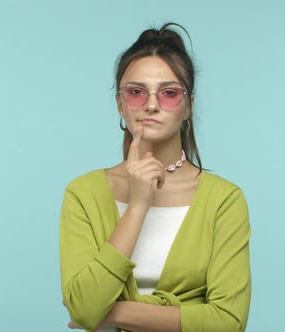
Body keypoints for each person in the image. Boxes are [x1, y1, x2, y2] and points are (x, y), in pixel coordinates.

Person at [59, 22, 251, 332]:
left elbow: (228, 322)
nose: (151, 105)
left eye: (169, 93)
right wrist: (137, 207)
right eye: (136, 92)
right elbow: (83, 307)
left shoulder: (224, 201)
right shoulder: (83, 194)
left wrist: (112, 313)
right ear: (120, 104)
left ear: (187, 106)